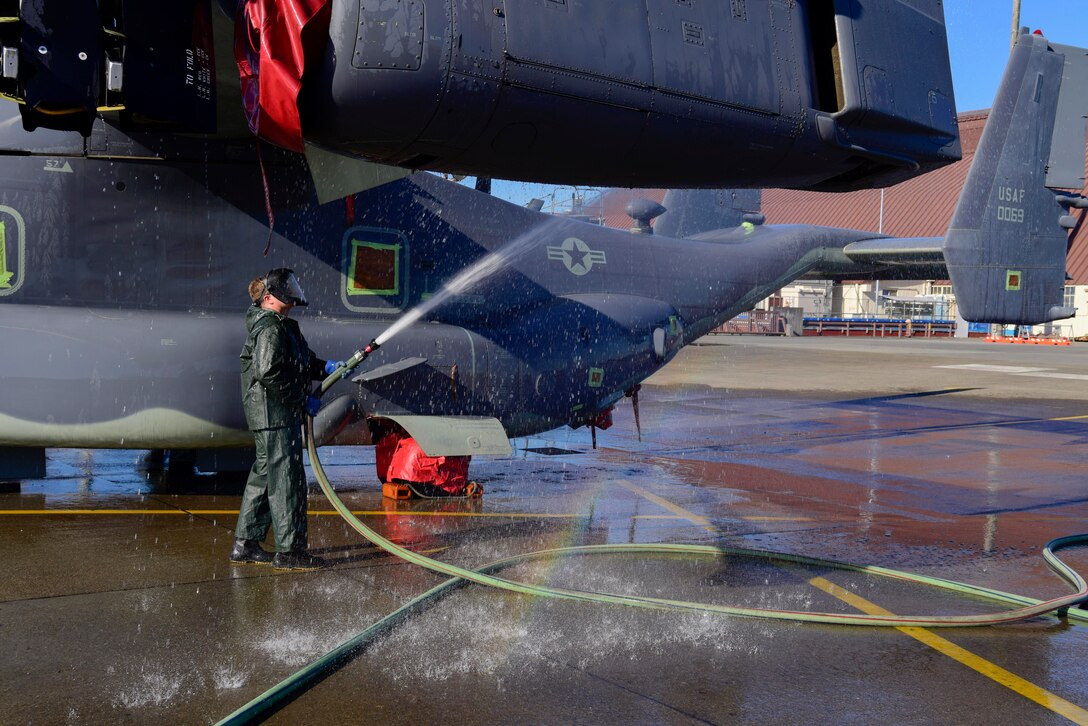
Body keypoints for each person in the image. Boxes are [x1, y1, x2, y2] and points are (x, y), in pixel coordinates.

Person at [230, 268, 343, 570]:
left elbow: (297, 362)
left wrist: (327, 367)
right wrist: (300, 399)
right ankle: (290, 551)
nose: (291, 293)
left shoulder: (280, 326)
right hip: (276, 416)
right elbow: (268, 372)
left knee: (265, 478)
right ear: (268, 298)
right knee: (287, 483)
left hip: (272, 415)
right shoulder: (270, 328)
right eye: (285, 288)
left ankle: (246, 543)